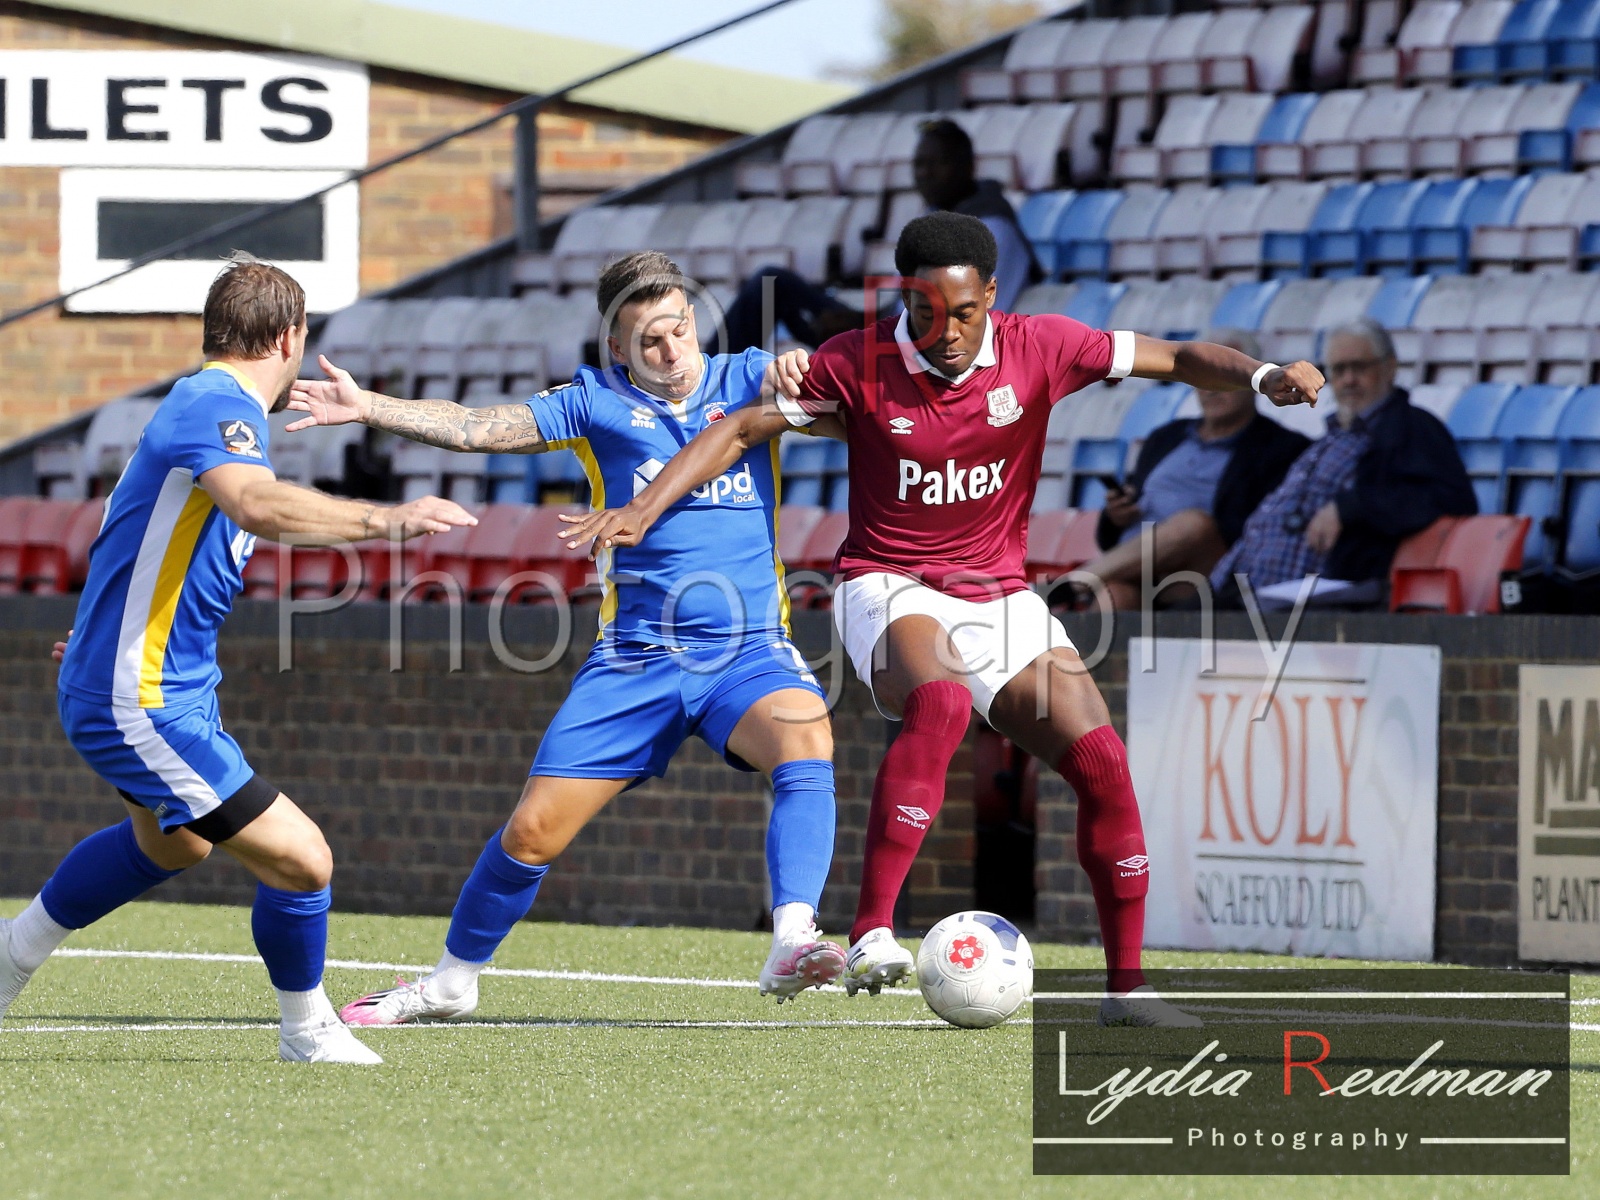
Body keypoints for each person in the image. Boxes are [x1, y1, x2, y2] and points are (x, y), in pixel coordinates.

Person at [561, 213, 1324, 1025]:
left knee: (1103, 763)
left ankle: (1126, 990)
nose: (947, 332)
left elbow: (1171, 358)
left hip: (1000, 594)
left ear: (991, 296)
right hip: (887, 584)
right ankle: (870, 933)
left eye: (965, 313)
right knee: (944, 702)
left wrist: (1262, 374)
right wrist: (642, 507)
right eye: (928, 313)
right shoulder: (856, 361)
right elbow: (740, 427)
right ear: (904, 298)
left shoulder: (1045, 345)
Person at [285, 251, 847, 1022]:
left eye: (680, 328)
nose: (672, 350)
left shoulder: (748, 377)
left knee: (805, 735)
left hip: (746, 649)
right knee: (533, 830)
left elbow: (852, 392)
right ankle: (451, 982)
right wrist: (370, 406)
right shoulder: (593, 403)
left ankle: (792, 936)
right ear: (616, 348)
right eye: (649, 339)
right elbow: (479, 427)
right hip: (638, 658)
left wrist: (807, 363)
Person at [0, 259, 477, 1063]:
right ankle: (308, 1031)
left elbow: (132, 533)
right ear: (290, 336)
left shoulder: (208, 407)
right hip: (142, 696)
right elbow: (256, 505)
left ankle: (10, 956)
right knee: (303, 858)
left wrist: (98, 633)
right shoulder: (215, 404)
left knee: (172, 845)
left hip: (149, 681)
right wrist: (388, 519)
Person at [1210, 317, 1476, 606]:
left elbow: (1451, 500)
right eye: (1339, 369)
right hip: (1244, 592)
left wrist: (1349, 507)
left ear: (1390, 367)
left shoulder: (1411, 427)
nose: (1349, 379)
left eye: (1359, 367)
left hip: (1319, 602)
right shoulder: (1332, 437)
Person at [720, 118, 1037, 354]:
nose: (924, 173)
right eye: (919, 164)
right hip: (889, 333)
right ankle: (709, 384)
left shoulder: (992, 230)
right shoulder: (938, 218)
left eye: (936, 163)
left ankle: (706, 394)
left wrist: (864, 330)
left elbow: (967, 322)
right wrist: (859, 320)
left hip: (910, 352)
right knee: (771, 285)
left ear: (967, 167)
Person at [1077, 328, 1311, 611]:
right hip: (1136, 570)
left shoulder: (1282, 449)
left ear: (1254, 380)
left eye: (1223, 376)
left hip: (1207, 573)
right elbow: (1113, 533)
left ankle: (1069, 585)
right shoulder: (1164, 437)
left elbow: (1263, 533)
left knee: (1194, 524)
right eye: (1203, 376)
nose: (1211, 388)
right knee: (1114, 596)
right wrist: (1115, 517)